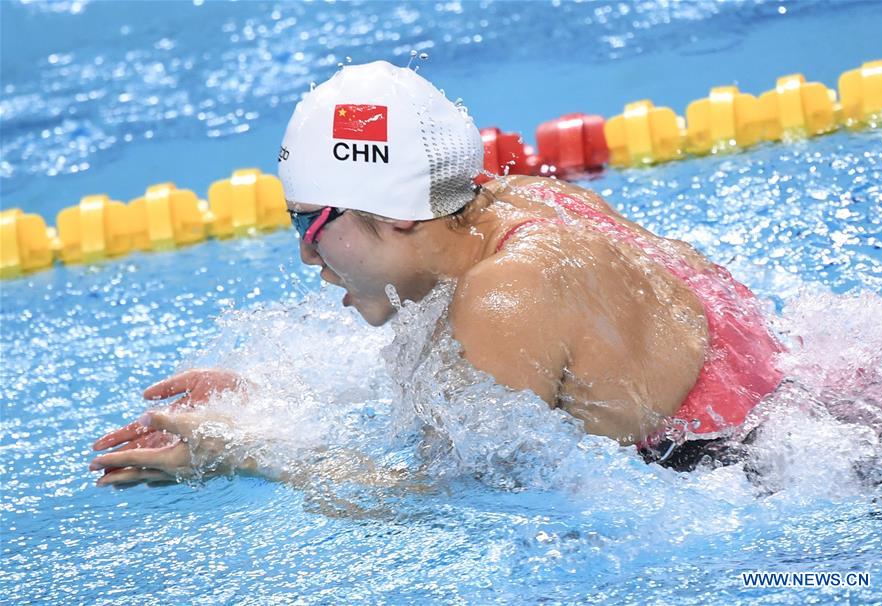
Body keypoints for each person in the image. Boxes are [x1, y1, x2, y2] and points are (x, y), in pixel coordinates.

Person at [90, 61, 783, 486]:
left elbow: (452, 503)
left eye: (308, 224)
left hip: (754, 480)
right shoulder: (522, 207)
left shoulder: (505, 295)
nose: (305, 254)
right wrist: (270, 405)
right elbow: (467, 390)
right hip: (790, 412)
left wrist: (247, 453)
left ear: (395, 213)